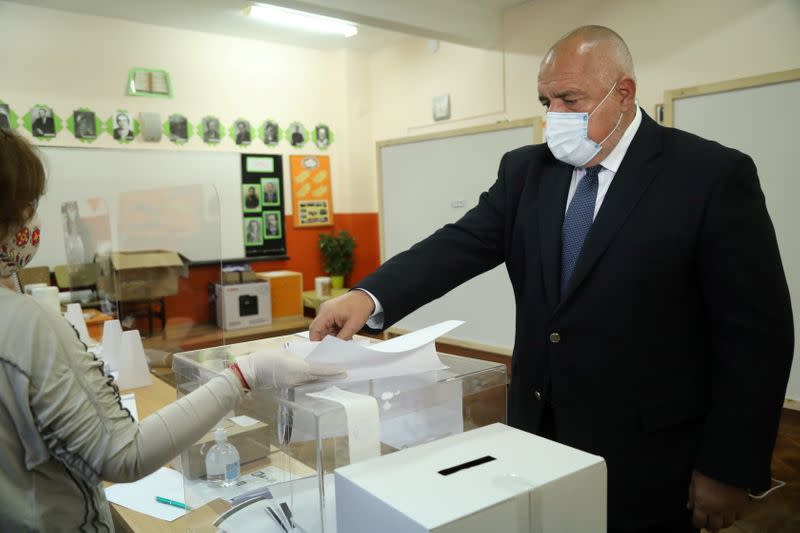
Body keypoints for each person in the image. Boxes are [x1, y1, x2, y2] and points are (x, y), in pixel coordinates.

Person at [309, 26, 794, 533]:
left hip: (651, 452)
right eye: (546, 101)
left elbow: (757, 336)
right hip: (536, 432)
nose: (554, 117)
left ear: (623, 93)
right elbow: (458, 244)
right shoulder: (526, 172)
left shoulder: (709, 175)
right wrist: (368, 296)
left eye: (570, 99)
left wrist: (728, 467)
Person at [0, 129, 343, 531]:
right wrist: (244, 374)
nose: (32, 218)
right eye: (26, 204)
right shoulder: (26, 324)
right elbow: (123, 454)